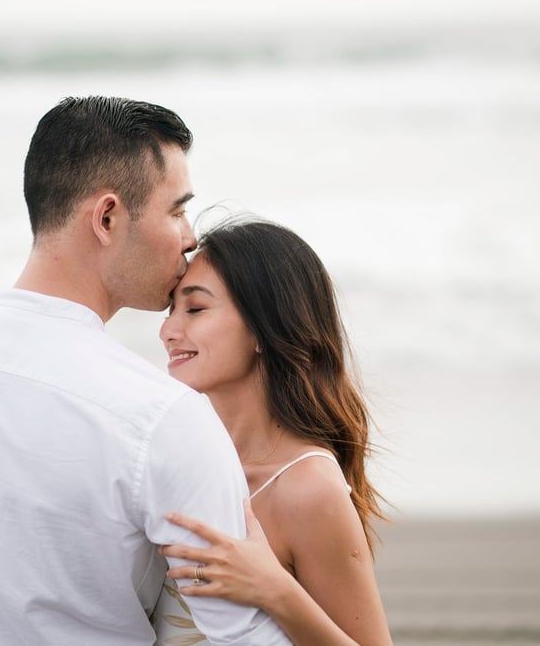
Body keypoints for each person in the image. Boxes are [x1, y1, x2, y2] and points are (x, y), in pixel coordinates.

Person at [0, 97, 293, 645]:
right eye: (175, 210)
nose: (190, 235)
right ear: (106, 218)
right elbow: (241, 639)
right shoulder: (163, 417)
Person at [155, 218, 393, 645]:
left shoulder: (308, 488)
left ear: (265, 329)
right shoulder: (185, 465)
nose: (168, 330)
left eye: (195, 308)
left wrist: (275, 589)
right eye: (171, 309)